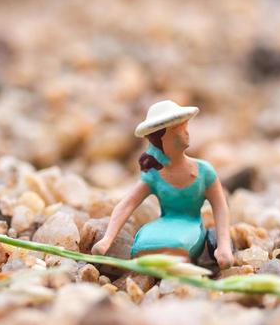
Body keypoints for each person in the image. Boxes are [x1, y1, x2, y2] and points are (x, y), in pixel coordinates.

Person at [93, 100, 235, 270]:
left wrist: (224, 245)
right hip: (164, 223)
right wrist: (107, 239)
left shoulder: (204, 171)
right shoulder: (153, 175)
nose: (186, 133)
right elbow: (127, 204)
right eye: (179, 129)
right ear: (163, 138)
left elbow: (220, 207)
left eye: (185, 127)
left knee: (177, 244)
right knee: (143, 243)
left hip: (190, 225)